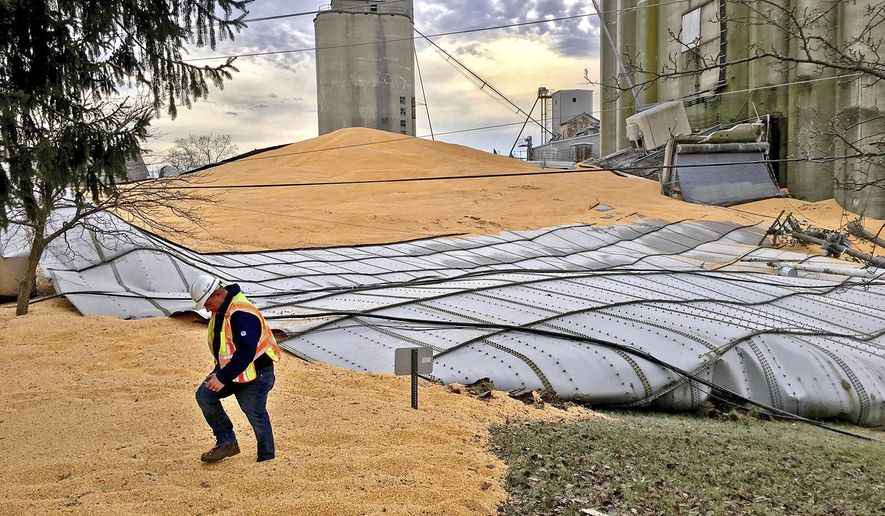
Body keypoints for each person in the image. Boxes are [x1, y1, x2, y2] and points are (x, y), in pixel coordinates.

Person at [189, 275, 281, 463]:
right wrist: (218, 371)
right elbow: (226, 346)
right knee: (205, 396)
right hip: (234, 371)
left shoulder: (241, 313)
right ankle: (227, 442)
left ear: (217, 295)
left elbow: (246, 353)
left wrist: (222, 377)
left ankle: (267, 458)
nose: (206, 309)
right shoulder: (222, 310)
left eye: (206, 303)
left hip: (258, 372)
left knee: (254, 411)